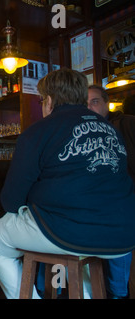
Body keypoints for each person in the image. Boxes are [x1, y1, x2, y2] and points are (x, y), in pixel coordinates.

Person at [0, 68, 135, 299]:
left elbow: (10, 201)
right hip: (124, 236)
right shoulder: (111, 130)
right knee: (77, 252)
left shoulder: (39, 131)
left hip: (69, 233)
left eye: (42, 100)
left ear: (49, 100)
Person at [87, 85, 135, 299]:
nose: (89, 107)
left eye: (94, 101)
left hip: (123, 199)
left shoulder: (127, 124)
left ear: (107, 103)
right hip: (95, 201)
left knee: (116, 218)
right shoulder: (80, 131)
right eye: (84, 103)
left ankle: (118, 292)